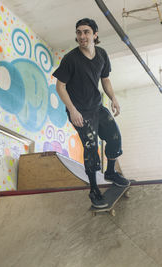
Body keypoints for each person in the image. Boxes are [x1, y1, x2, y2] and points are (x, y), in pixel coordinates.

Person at [53, 18, 130, 208]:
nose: (82, 36)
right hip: (80, 112)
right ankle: (94, 190)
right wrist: (72, 110)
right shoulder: (71, 59)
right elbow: (60, 86)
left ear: (95, 34)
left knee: (114, 137)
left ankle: (111, 172)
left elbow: (105, 79)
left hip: (97, 106)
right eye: (79, 32)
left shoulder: (102, 54)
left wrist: (113, 98)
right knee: (91, 147)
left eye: (86, 32)